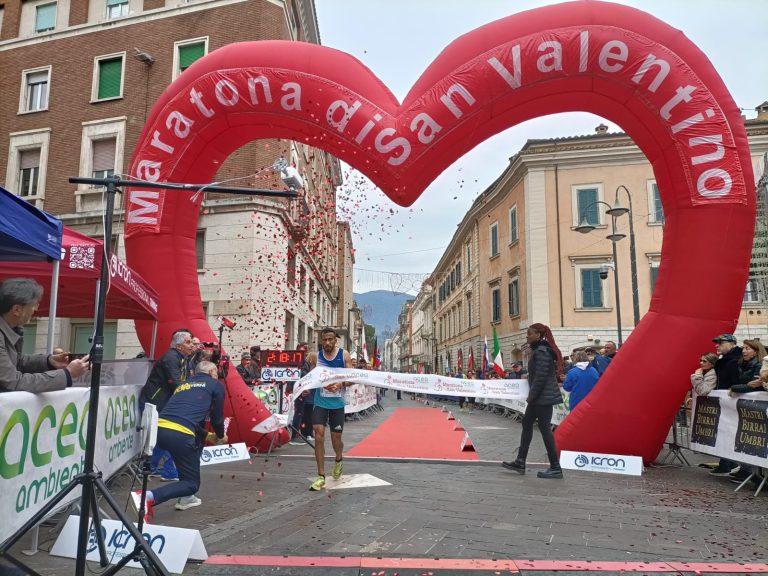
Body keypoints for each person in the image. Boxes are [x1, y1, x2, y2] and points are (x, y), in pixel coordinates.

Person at [131, 361, 227, 523]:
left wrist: (208, 436)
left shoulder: (184, 384)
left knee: (188, 459)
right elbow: (217, 418)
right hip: (180, 434)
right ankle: (147, 497)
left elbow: (183, 416)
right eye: (216, 372)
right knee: (191, 483)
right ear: (211, 372)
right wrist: (220, 435)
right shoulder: (215, 385)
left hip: (160, 429)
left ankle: (186, 499)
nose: (217, 375)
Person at [0, 278, 90, 393]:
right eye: (34, 304)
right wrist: (67, 374)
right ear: (16, 309)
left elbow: (16, 361)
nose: (36, 309)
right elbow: (14, 382)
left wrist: (49, 361)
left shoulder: (11, 329)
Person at [502, 323, 564, 479]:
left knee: (544, 430)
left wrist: (531, 396)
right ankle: (520, 461)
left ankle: (556, 467)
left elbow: (541, 378)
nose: (527, 336)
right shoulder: (539, 350)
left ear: (538, 335)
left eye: (529, 334)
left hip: (542, 398)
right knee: (527, 424)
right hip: (539, 397)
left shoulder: (542, 352)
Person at [141, 330, 196, 481]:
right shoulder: (171, 358)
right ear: (179, 345)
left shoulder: (183, 358)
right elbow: (177, 383)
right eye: (189, 342)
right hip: (156, 401)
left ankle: (156, 468)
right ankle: (168, 471)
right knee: (169, 435)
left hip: (164, 402)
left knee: (161, 437)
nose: (192, 346)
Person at [306, 328, 353, 491]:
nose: (327, 343)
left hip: (337, 404)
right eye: (324, 340)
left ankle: (339, 459)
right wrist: (309, 386)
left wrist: (340, 384)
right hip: (320, 402)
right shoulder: (315, 357)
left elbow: (351, 379)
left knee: (336, 440)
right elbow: (312, 378)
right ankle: (320, 476)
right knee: (318, 434)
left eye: (330, 339)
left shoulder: (344, 355)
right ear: (321, 341)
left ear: (335, 340)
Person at [709, 333, 742, 476]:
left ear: (732, 343)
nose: (717, 345)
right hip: (725, 401)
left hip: (733, 402)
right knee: (724, 433)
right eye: (717, 343)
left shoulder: (736, 360)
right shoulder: (723, 360)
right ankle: (727, 463)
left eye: (721, 342)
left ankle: (733, 465)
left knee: (732, 433)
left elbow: (737, 381)